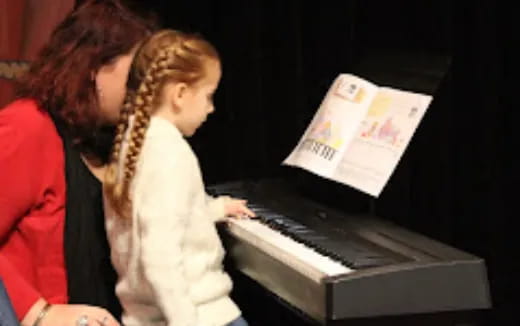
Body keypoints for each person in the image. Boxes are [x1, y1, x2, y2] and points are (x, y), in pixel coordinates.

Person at [0, 0, 154, 325]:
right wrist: (38, 312)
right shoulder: (28, 126)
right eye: (136, 75)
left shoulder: (116, 138)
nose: (145, 91)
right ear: (93, 67)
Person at [103, 29, 255, 326]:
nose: (211, 109)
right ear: (180, 94)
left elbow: (150, 218)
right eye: (209, 96)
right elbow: (160, 255)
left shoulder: (133, 141)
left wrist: (214, 209)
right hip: (199, 315)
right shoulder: (169, 152)